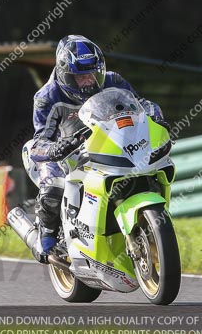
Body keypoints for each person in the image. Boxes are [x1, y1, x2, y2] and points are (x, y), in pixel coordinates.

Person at [21, 34, 165, 263]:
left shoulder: (113, 81)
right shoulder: (47, 97)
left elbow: (141, 106)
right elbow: (40, 140)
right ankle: (46, 238)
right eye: (80, 77)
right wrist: (55, 149)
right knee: (52, 187)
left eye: (93, 73)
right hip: (63, 153)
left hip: (103, 144)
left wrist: (155, 116)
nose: (89, 81)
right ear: (66, 76)